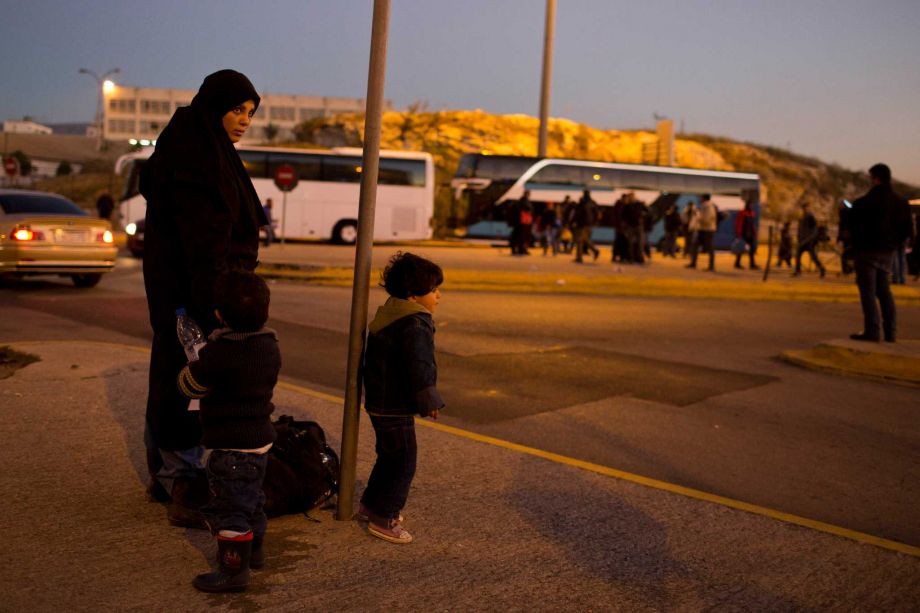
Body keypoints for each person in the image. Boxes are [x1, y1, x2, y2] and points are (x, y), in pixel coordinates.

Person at [140, 69, 268, 528]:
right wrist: (219, 301)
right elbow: (203, 242)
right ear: (214, 107)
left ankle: (169, 472)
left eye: (250, 112)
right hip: (194, 298)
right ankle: (182, 479)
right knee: (187, 380)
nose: (244, 120)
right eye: (237, 109)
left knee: (174, 374)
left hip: (187, 293)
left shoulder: (202, 150)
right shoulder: (197, 161)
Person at [177, 271, 280, 593]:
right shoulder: (269, 346)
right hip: (261, 441)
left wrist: (191, 364)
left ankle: (233, 570)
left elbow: (189, 385)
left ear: (219, 314)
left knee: (230, 510)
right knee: (252, 500)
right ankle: (256, 550)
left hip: (230, 447)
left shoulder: (218, 354)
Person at [360, 252, 445, 544]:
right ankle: (385, 517)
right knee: (404, 462)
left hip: (379, 402)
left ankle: (371, 503)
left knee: (389, 457)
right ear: (413, 294)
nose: (439, 295)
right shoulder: (415, 323)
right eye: (433, 290)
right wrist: (429, 398)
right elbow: (419, 364)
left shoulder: (391, 312)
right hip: (395, 405)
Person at [848, 163, 912, 342]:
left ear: (875, 178)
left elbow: (853, 226)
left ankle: (872, 330)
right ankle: (891, 332)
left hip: (866, 251)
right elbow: (907, 230)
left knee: (868, 291)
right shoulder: (900, 203)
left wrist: (857, 245)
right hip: (887, 252)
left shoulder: (863, 203)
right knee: (884, 291)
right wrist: (893, 244)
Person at [793, 202, 825, 277]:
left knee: (813, 257)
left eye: (806, 208)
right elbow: (800, 229)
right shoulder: (802, 217)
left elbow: (814, 229)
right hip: (803, 240)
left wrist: (810, 239)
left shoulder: (810, 217)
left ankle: (822, 269)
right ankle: (798, 271)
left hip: (809, 241)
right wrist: (799, 238)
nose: (804, 209)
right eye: (804, 208)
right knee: (798, 255)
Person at [687, 194, 716, 271]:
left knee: (707, 247)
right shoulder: (709, 206)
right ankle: (694, 263)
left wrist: (697, 214)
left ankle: (710, 266)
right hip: (705, 229)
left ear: (704, 198)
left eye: (701, 197)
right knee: (696, 245)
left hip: (706, 229)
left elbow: (706, 219)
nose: (700, 198)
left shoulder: (707, 206)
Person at [572, 189, 600, 263]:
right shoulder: (591, 203)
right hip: (586, 224)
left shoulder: (584, 203)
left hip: (583, 224)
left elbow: (578, 213)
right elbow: (596, 214)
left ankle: (581, 256)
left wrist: (574, 221)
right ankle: (580, 256)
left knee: (580, 240)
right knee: (583, 239)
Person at [733, 199, 759, 269]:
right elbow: (739, 224)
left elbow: (752, 225)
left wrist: (754, 233)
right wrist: (738, 233)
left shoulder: (752, 213)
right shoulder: (742, 213)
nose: (751, 206)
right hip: (744, 234)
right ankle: (738, 263)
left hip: (750, 235)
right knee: (741, 248)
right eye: (750, 205)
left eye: (751, 205)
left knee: (752, 250)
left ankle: (752, 264)